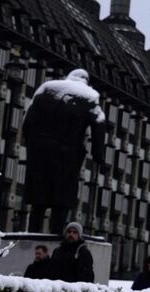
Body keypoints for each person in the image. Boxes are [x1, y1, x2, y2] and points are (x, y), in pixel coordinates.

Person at [18, 68, 107, 235]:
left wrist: (30, 142)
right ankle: (56, 233)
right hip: (68, 155)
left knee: (39, 199)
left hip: (40, 153)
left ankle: (33, 233)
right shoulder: (89, 96)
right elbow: (99, 124)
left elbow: (27, 118)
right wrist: (98, 155)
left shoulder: (46, 89)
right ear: (85, 81)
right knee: (62, 199)